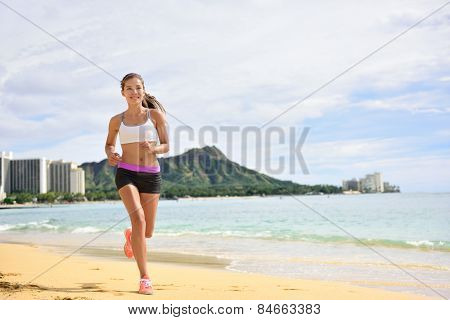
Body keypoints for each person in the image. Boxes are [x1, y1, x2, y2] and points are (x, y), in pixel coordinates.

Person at [104, 73, 169, 295]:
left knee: (147, 231)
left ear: (143, 90)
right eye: (129, 89)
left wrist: (154, 149)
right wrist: (112, 154)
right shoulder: (116, 120)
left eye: (138, 88)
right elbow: (109, 145)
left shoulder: (155, 116)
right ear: (123, 93)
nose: (134, 92)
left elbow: (166, 145)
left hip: (151, 175)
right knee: (138, 219)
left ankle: (131, 236)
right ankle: (145, 278)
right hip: (126, 173)